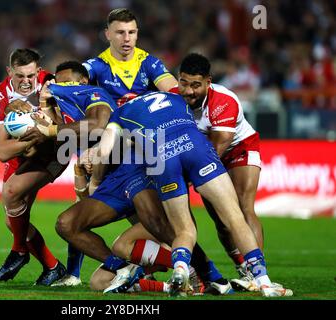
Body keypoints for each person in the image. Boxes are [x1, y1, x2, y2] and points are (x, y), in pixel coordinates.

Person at [95, 90, 293, 297]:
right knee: (235, 218)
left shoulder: (119, 114)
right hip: (195, 148)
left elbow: (104, 150)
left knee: (184, 230)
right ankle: (264, 282)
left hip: (163, 158)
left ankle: (181, 267)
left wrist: (95, 176)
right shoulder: (172, 96)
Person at [52, 7, 179, 287]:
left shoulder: (150, 64)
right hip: (106, 156)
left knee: (152, 225)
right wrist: (50, 88)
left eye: (132, 32)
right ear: (108, 34)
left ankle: (191, 268)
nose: (127, 38)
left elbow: (173, 90)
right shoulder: (96, 66)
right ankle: (92, 272)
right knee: (79, 213)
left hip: (139, 157)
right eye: (120, 32)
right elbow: (72, 78)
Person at [177, 53, 267, 291]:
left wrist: (185, 177)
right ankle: (242, 268)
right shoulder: (174, 99)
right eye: (184, 83)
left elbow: (217, 148)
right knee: (220, 220)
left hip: (237, 149)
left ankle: (256, 272)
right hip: (203, 156)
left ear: (208, 81)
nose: (189, 91)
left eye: (196, 85)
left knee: (242, 207)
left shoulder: (224, 101)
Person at [0, 48, 67, 286]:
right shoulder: (0, 98)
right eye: (19, 76)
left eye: (30, 76)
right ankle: (53, 268)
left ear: (38, 72)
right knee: (12, 218)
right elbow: (2, 151)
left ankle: (19, 252)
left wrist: (42, 129)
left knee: (11, 193)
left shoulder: (49, 84)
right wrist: (32, 139)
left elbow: (61, 128)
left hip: (55, 153)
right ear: (9, 71)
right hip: (21, 157)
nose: (26, 81)